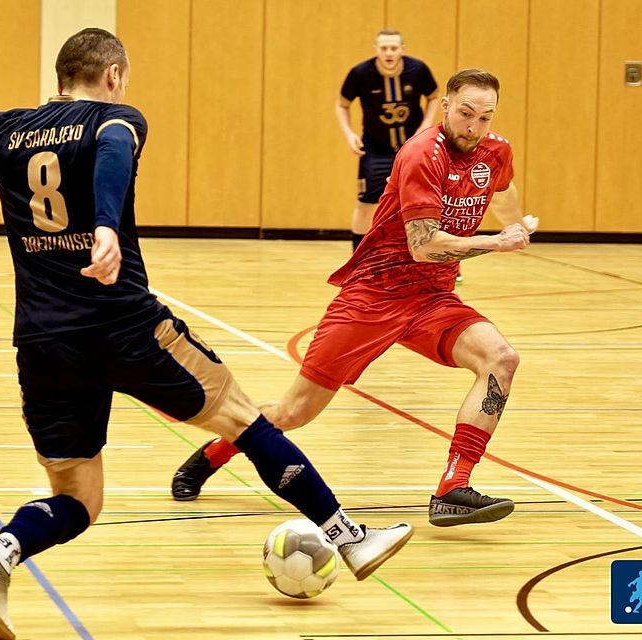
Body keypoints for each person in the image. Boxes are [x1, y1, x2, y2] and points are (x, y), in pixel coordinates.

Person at [0, 28, 412, 640]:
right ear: (113, 75)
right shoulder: (116, 120)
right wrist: (104, 226)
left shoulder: (5, 131)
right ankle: (349, 540)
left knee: (77, 498)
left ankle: (1, 553)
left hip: (44, 343)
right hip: (126, 327)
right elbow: (116, 156)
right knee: (245, 420)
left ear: (61, 74)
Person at [172, 69, 539, 531]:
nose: (473, 126)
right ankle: (212, 454)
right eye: (465, 113)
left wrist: (518, 225)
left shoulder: (494, 149)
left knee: (501, 359)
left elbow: (502, 194)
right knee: (293, 413)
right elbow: (423, 245)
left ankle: (453, 488)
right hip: (374, 297)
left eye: (484, 117)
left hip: (431, 298)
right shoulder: (421, 154)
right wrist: (493, 243)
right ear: (445, 106)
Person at [336, 28, 439, 253]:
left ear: (402, 49)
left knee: (427, 202)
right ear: (376, 50)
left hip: (413, 148)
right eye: (384, 48)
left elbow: (433, 97)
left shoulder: (418, 70)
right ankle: (358, 259)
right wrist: (349, 134)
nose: (389, 53)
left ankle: (441, 258)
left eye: (394, 48)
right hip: (375, 148)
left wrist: (424, 127)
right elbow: (342, 104)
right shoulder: (360, 73)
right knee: (366, 204)